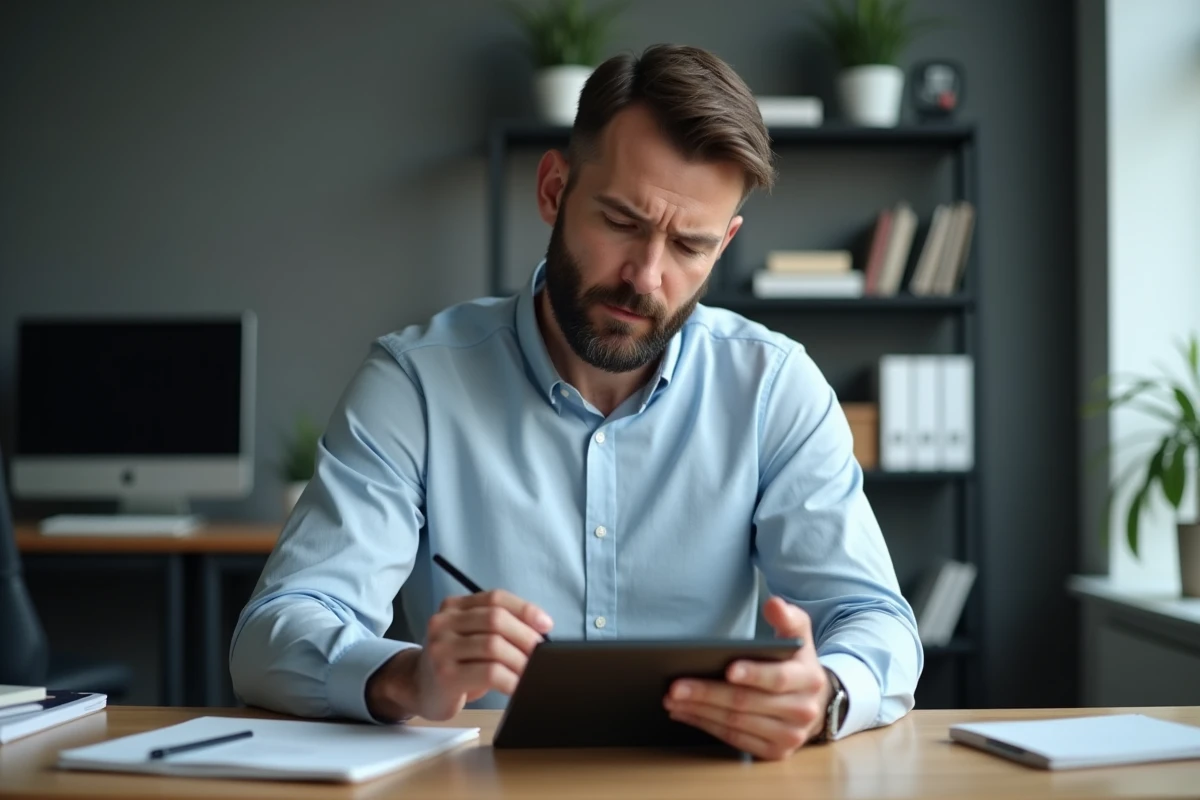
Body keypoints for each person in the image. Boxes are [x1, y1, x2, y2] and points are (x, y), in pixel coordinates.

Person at [230, 43, 922, 762]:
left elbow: (875, 619)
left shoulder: (774, 388)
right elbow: (272, 633)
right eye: (621, 222)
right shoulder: (416, 384)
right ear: (554, 189)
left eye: (689, 246)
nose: (645, 277)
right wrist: (406, 677)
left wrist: (825, 693)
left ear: (723, 247)